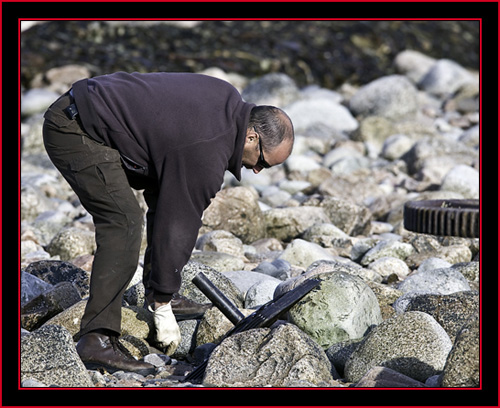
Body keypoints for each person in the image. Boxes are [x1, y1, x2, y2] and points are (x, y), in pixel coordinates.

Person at [42, 71, 295, 375]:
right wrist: (162, 304)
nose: (257, 171)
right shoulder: (208, 150)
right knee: (123, 221)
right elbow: (179, 225)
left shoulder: (225, 99)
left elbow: (169, 200)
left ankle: (157, 292)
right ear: (252, 137)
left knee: (163, 195)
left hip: (101, 117)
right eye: (263, 162)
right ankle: (96, 339)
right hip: (76, 127)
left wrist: (164, 291)